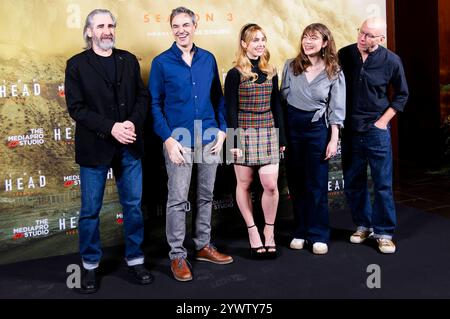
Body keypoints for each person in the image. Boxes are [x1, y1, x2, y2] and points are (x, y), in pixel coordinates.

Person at [65, 9, 153, 293]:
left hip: (130, 145)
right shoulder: (76, 65)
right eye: (100, 26)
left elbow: (142, 97)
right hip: (96, 148)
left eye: (111, 25)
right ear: (89, 31)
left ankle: (136, 260)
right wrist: (111, 127)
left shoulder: (127, 60)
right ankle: (89, 266)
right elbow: (76, 108)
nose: (107, 30)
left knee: (133, 208)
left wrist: (130, 123)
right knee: (90, 211)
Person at [149, 6, 233, 282]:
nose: (181, 30)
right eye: (176, 26)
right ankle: (177, 256)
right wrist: (168, 139)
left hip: (208, 135)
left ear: (195, 26)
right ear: (171, 29)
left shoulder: (208, 59)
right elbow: (155, 104)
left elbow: (219, 99)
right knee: (177, 200)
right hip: (179, 139)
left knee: (206, 195)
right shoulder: (161, 63)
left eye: (186, 24)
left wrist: (222, 131)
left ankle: (203, 245)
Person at [338, 17, 409, 254]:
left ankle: (384, 232)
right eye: (361, 32)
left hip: (376, 130)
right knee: (353, 182)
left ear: (381, 39)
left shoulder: (391, 61)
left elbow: (401, 95)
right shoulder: (345, 54)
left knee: (382, 184)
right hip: (350, 129)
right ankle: (363, 225)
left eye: (369, 35)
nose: (362, 37)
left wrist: (382, 122)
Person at [281, 23, 346, 255]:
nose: (308, 42)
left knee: (316, 184)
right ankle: (300, 231)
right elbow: (283, 99)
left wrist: (333, 138)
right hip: (292, 128)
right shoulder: (290, 66)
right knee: (296, 184)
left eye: (314, 38)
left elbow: (336, 109)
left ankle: (318, 234)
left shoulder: (334, 70)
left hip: (317, 129)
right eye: (305, 37)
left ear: (325, 43)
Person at [224, 23, 286, 259]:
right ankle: (252, 231)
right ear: (243, 44)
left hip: (268, 130)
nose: (259, 44)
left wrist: (281, 136)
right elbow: (230, 109)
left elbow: (276, 105)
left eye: (262, 39)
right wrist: (234, 141)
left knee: (270, 184)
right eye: (254, 40)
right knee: (245, 184)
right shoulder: (234, 74)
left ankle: (269, 230)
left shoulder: (271, 70)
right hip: (244, 132)